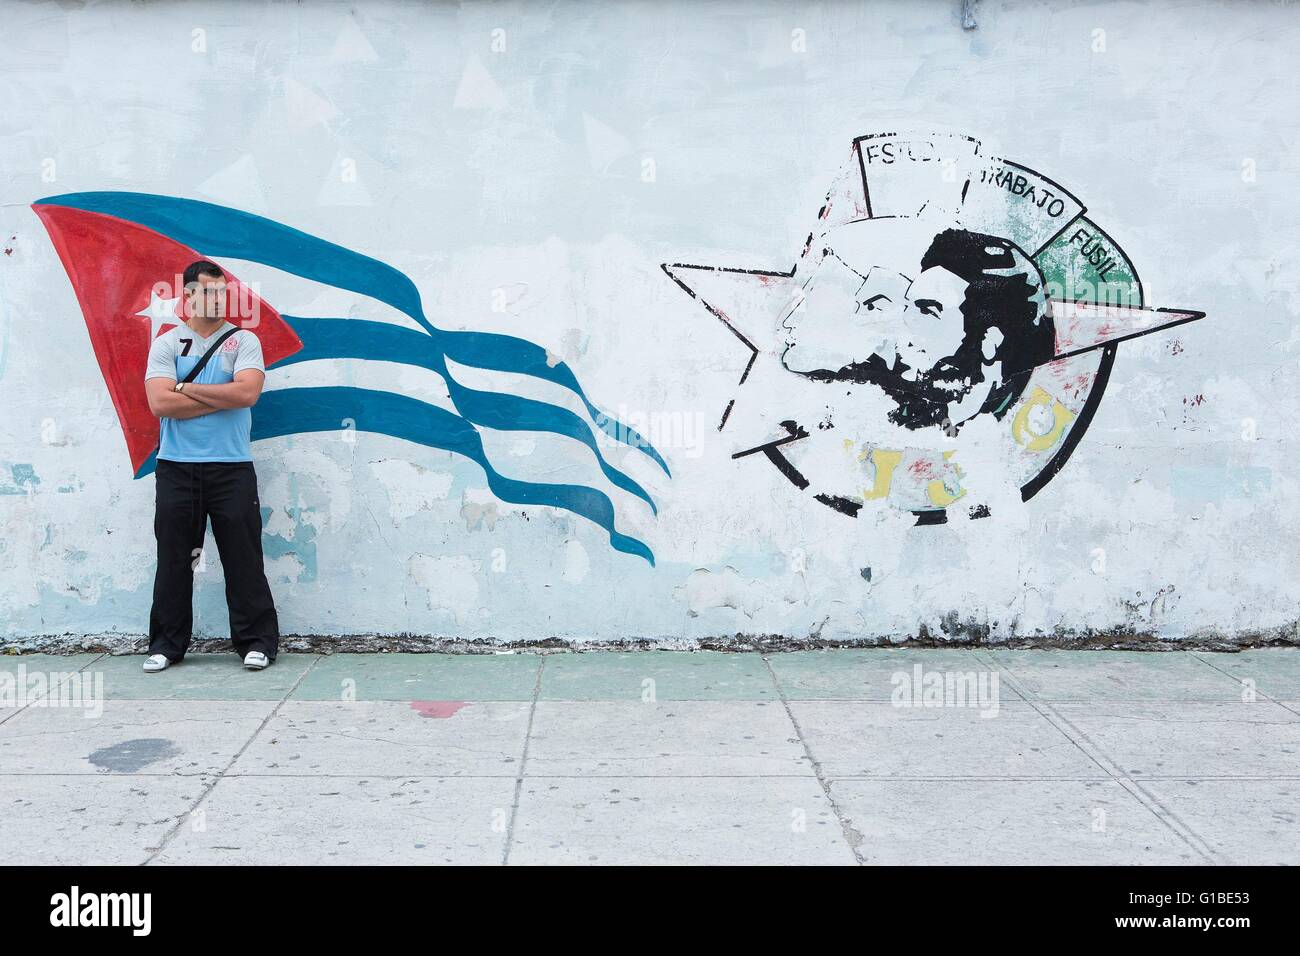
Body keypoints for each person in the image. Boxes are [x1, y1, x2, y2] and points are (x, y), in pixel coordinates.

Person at [141, 260, 280, 672]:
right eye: (209, 292)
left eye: (223, 292)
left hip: (231, 467)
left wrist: (185, 387)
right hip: (177, 468)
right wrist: (221, 393)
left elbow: (248, 394)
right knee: (174, 559)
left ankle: (257, 642)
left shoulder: (244, 341)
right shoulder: (167, 343)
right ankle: (166, 644)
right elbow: (159, 403)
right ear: (187, 295)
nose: (218, 299)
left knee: (243, 558)